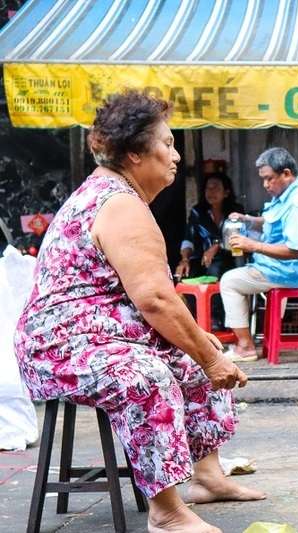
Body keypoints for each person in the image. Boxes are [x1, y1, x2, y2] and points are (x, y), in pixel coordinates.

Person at [14, 90, 265, 533]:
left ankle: (206, 477)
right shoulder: (119, 203)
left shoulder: (120, 196)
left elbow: (150, 302)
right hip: (59, 347)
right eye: (166, 144)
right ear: (133, 154)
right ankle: (166, 512)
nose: (175, 154)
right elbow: (154, 299)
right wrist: (211, 358)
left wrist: (203, 350)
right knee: (149, 375)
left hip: (98, 336)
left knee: (194, 350)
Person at [220, 147, 298, 361]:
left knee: (229, 281)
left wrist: (253, 245)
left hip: (291, 271)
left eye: (269, 179)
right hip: (282, 268)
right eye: (263, 180)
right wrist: (247, 219)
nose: (265, 185)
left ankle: (245, 347)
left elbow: (295, 250)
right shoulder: (286, 195)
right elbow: (269, 221)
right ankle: (250, 340)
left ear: (286, 173)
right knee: (239, 278)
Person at [175, 173, 244, 279]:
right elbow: (189, 239)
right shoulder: (198, 212)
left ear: (226, 193)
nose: (211, 192)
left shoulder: (235, 211)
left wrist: (216, 246)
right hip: (202, 260)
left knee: (215, 270)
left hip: (230, 258)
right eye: (208, 188)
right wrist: (185, 260)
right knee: (184, 273)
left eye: (216, 187)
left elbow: (236, 240)